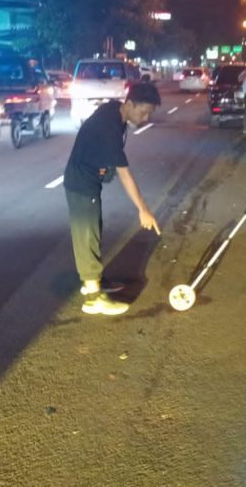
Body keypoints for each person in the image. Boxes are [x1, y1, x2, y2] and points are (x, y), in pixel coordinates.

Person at [64, 81, 163, 316]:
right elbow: (125, 174)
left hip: (87, 178)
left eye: (149, 114)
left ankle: (95, 281)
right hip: (81, 183)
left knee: (93, 231)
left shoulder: (113, 111)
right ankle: (93, 298)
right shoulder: (110, 127)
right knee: (87, 236)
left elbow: (92, 142)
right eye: (144, 112)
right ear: (130, 104)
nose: (146, 118)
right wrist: (143, 209)